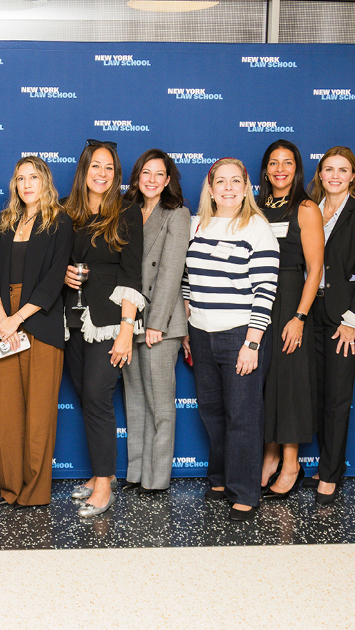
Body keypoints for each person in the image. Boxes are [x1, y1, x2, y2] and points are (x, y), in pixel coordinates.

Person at [182, 158, 279, 522]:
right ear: (209, 187)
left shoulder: (256, 228)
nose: (227, 187)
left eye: (235, 181)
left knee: (242, 416)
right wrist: (189, 323)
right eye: (220, 181)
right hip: (201, 333)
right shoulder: (196, 225)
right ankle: (221, 478)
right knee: (212, 411)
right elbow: (187, 279)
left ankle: (245, 491)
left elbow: (265, 290)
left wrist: (252, 343)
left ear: (246, 187)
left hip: (240, 333)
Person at [0, 156, 72, 507]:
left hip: (40, 322)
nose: (26, 184)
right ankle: (11, 489)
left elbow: (53, 281)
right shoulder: (5, 222)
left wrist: (17, 318)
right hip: (4, 323)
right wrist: (2, 318)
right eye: (20, 178)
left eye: (33, 177)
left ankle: (35, 493)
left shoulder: (59, 222)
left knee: (39, 415)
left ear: (45, 181)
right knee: (8, 415)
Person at [62, 139, 142, 518]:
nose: (102, 173)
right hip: (72, 319)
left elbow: (132, 273)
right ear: (84, 170)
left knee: (97, 395)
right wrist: (63, 272)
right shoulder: (66, 211)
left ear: (117, 174)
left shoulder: (127, 213)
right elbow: (55, 261)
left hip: (110, 322)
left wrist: (127, 330)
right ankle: (96, 476)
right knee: (85, 395)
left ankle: (105, 482)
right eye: (96, 166)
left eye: (109, 167)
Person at [306, 146, 355, 505]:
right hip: (306, 313)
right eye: (328, 169)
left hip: (341, 319)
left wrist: (353, 321)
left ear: (352, 176)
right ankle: (325, 462)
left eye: (343, 170)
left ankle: (331, 474)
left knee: (337, 398)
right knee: (315, 394)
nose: (335, 175)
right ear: (320, 174)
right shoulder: (307, 210)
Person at [256, 140, 323, 500]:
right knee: (266, 381)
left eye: (287, 162)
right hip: (259, 304)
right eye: (273, 163)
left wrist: (299, 316)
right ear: (265, 169)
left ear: (297, 168)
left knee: (290, 384)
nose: (280, 169)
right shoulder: (256, 208)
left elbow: (315, 270)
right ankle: (269, 456)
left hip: (292, 303)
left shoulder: (307, 208)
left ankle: (292, 463)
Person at [121, 149, 189, 496]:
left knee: (160, 404)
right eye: (145, 172)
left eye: (158, 174)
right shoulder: (127, 211)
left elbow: (170, 272)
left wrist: (156, 322)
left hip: (160, 323)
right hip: (129, 318)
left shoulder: (177, 214)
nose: (151, 179)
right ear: (137, 177)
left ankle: (157, 478)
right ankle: (136, 472)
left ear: (167, 180)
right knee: (135, 400)